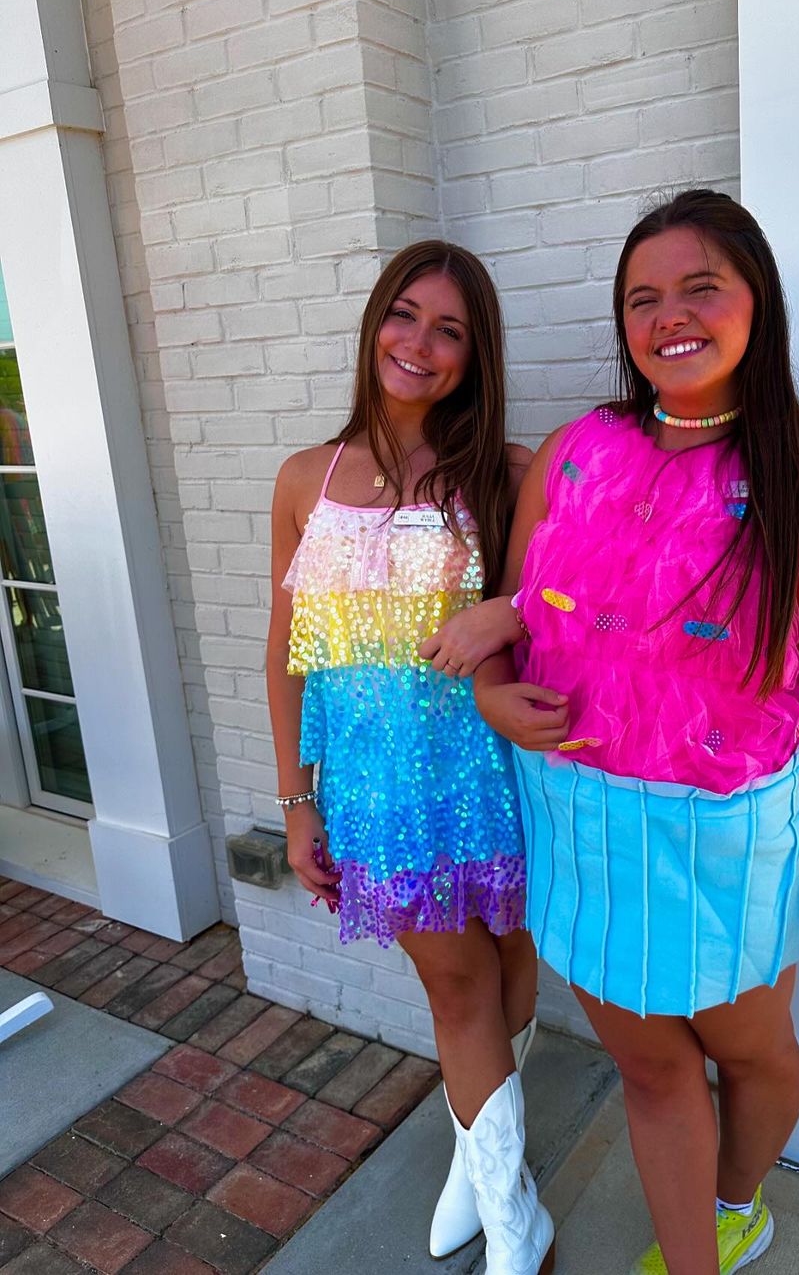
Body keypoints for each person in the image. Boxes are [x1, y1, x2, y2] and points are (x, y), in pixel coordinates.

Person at [427, 190, 799, 1275]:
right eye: (643, 298)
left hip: (734, 840)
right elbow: (516, 608)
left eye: (700, 287)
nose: (669, 316)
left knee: (757, 1058)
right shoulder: (575, 451)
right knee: (651, 1071)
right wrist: (492, 695)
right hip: (582, 820)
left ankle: (735, 1206)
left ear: (756, 302)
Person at [265, 241, 555, 1275]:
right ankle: (516, 1219)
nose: (419, 344)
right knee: (459, 987)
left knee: (507, 962)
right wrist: (297, 803)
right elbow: (287, 656)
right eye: (404, 314)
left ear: (476, 355)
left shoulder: (505, 473)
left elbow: (563, 608)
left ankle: (478, 1162)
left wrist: (507, 608)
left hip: (491, 777)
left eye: (449, 330)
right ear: (374, 322)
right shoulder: (305, 479)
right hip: (377, 794)